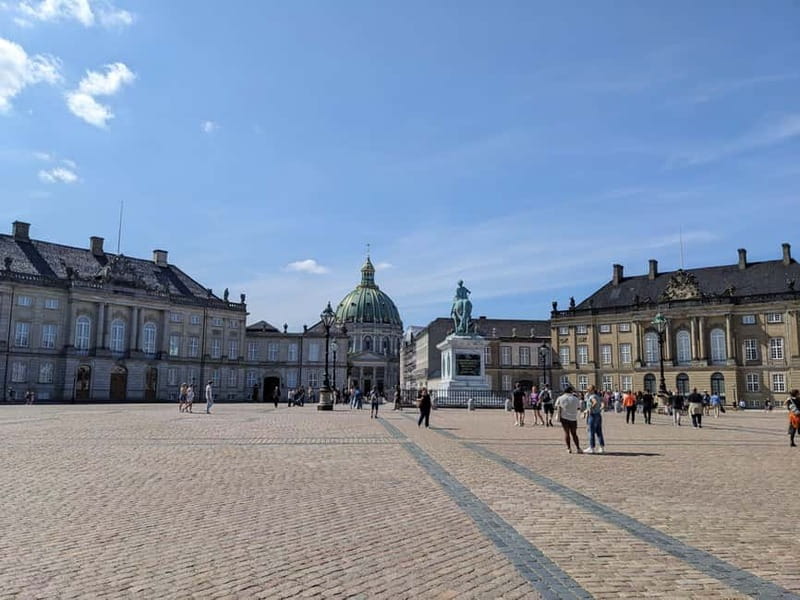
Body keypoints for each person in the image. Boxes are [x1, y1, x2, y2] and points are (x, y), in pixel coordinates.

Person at [555, 385, 582, 454]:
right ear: (571, 391)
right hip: (573, 418)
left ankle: (568, 448)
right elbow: (579, 407)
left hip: (564, 418)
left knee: (566, 433)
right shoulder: (575, 398)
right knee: (574, 434)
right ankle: (578, 448)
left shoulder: (560, 398)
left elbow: (556, 406)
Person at [583, 385, 605, 454]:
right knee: (599, 432)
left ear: (591, 390)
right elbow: (603, 403)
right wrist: (600, 408)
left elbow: (594, 402)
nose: (587, 391)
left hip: (592, 415)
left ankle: (591, 447)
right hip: (598, 415)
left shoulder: (592, 397)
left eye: (588, 389)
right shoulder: (597, 396)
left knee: (591, 432)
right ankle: (601, 447)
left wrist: (589, 410)